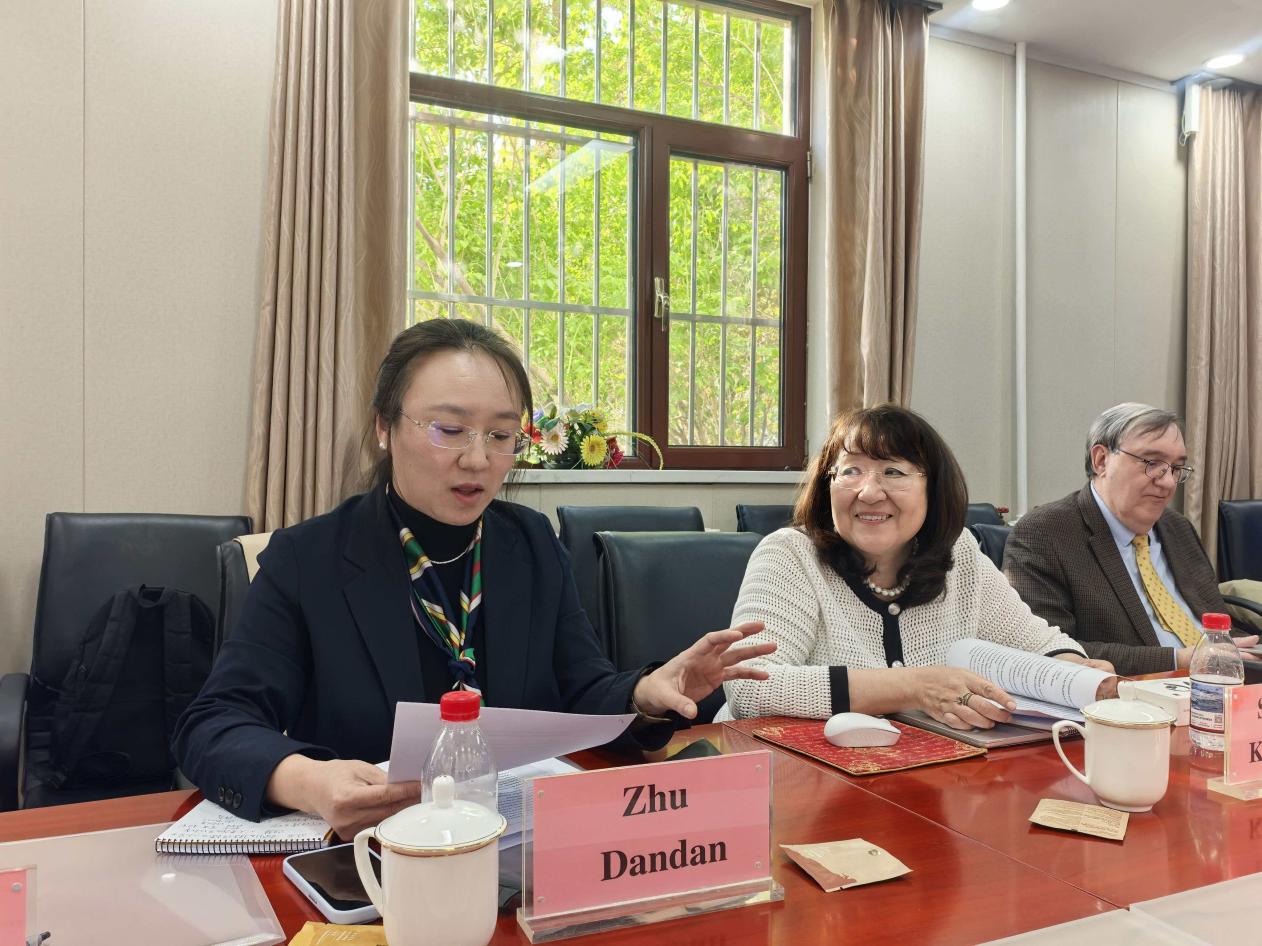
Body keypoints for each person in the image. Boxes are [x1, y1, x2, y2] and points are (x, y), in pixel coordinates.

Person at [174, 319, 773, 836]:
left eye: (501, 435)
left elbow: (580, 691)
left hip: (518, 845)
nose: (478, 459)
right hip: (379, 850)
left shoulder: (530, 543)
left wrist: (643, 694)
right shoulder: (310, 558)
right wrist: (309, 781)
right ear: (384, 426)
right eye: (449, 429)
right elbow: (213, 724)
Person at [722, 404, 1113, 729]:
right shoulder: (790, 554)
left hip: (924, 773)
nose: (869, 492)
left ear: (933, 488)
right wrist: (913, 686)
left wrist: (1076, 672)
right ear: (828, 485)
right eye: (851, 471)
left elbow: (1037, 642)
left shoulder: (958, 552)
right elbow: (749, 686)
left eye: (893, 472)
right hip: (796, 776)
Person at [1004, 403, 1257, 676]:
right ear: (1101, 460)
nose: (1168, 482)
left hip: (1226, 679)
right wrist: (1181, 659)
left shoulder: (1177, 528)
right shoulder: (1045, 533)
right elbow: (1048, 649)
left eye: (1176, 468)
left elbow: (1216, 623)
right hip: (1136, 690)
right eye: (1152, 463)